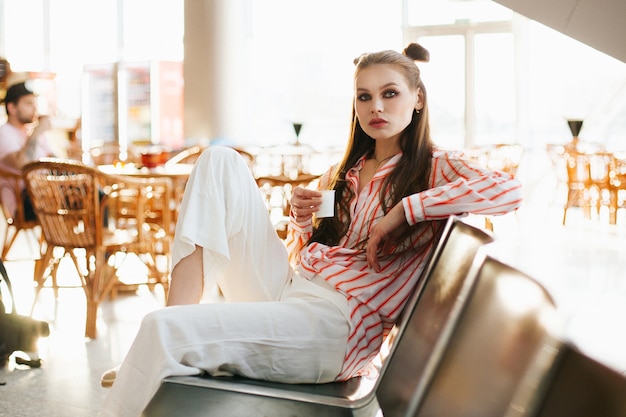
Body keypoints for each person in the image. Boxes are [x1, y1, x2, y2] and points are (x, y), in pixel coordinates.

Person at [99, 43, 523, 416]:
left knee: (157, 330)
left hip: (334, 327)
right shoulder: (347, 171)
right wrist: (302, 222)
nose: (376, 107)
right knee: (219, 160)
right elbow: (306, 249)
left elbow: (509, 191)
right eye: (365, 97)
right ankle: (169, 332)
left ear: (417, 99)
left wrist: (407, 209)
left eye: (390, 94)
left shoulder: (434, 165)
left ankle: (156, 347)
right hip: (294, 292)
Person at [0, 81, 55, 221]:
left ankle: (90, 240)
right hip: (23, 202)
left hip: (47, 191)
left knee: (93, 193)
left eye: (35, 103)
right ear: (12, 108)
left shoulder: (31, 132)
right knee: (88, 196)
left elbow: (54, 160)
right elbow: (22, 164)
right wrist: (36, 133)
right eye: (29, 103)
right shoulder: (4, 133)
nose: (35, 108)